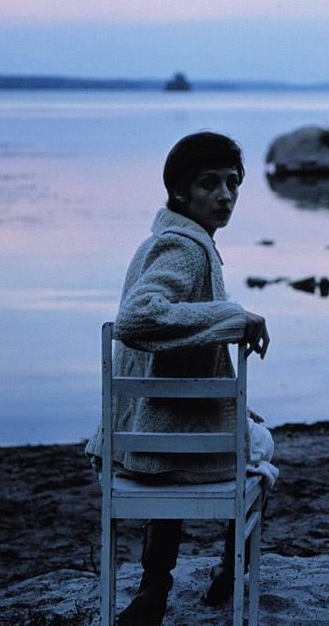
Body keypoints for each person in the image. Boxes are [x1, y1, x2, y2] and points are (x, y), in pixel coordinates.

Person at [84, 131, 273, 625]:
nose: (225, 195)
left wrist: (229, 402)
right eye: (210, 184)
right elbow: (136, 319)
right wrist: (234, 315)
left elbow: (178, 353)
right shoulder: (183, 249)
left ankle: (155, 584)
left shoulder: (170, 241)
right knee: (264, 445)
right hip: (165, 450)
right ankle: (231, 571)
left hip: (141, 444)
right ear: (180, 193)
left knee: (217, 433)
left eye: (233, 184)